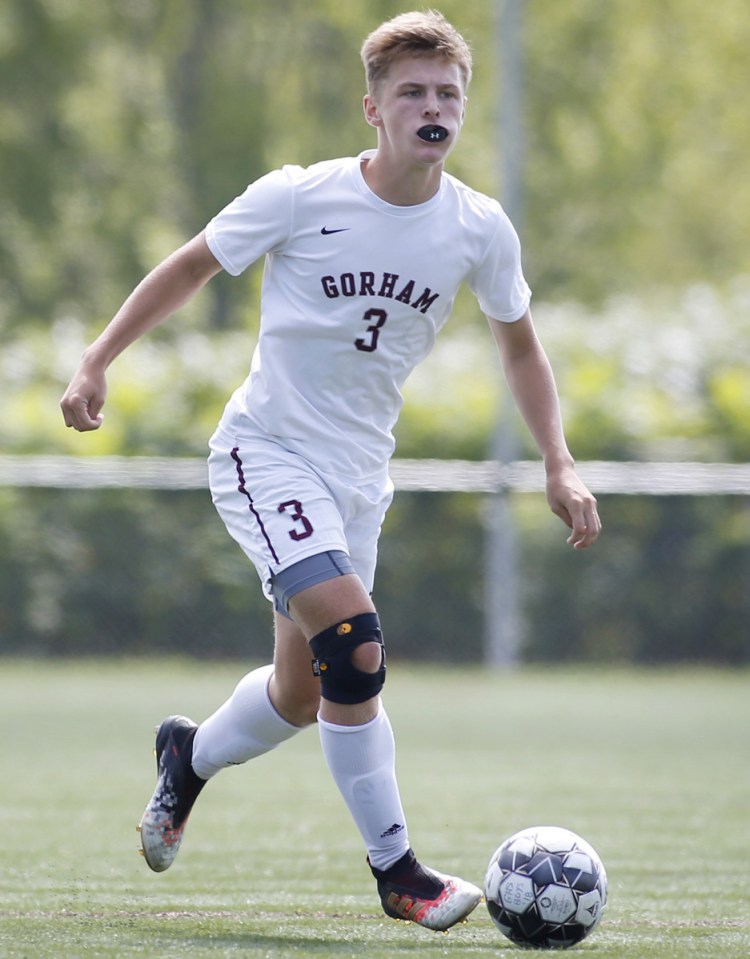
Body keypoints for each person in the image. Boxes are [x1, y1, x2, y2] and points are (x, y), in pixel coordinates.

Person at [60, 9, 601, 933]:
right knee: (355, 644)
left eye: (448, 94)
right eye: (413, 93)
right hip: (264, 453)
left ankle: (188, 756)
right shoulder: (299, 196)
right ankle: (399, 872)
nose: (433, 108)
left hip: (357, 479)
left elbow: (521, 348)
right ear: (373, 108)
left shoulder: (479, 227)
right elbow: (192, 265)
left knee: (306, 694)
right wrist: (98, 357)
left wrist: (558, 458)